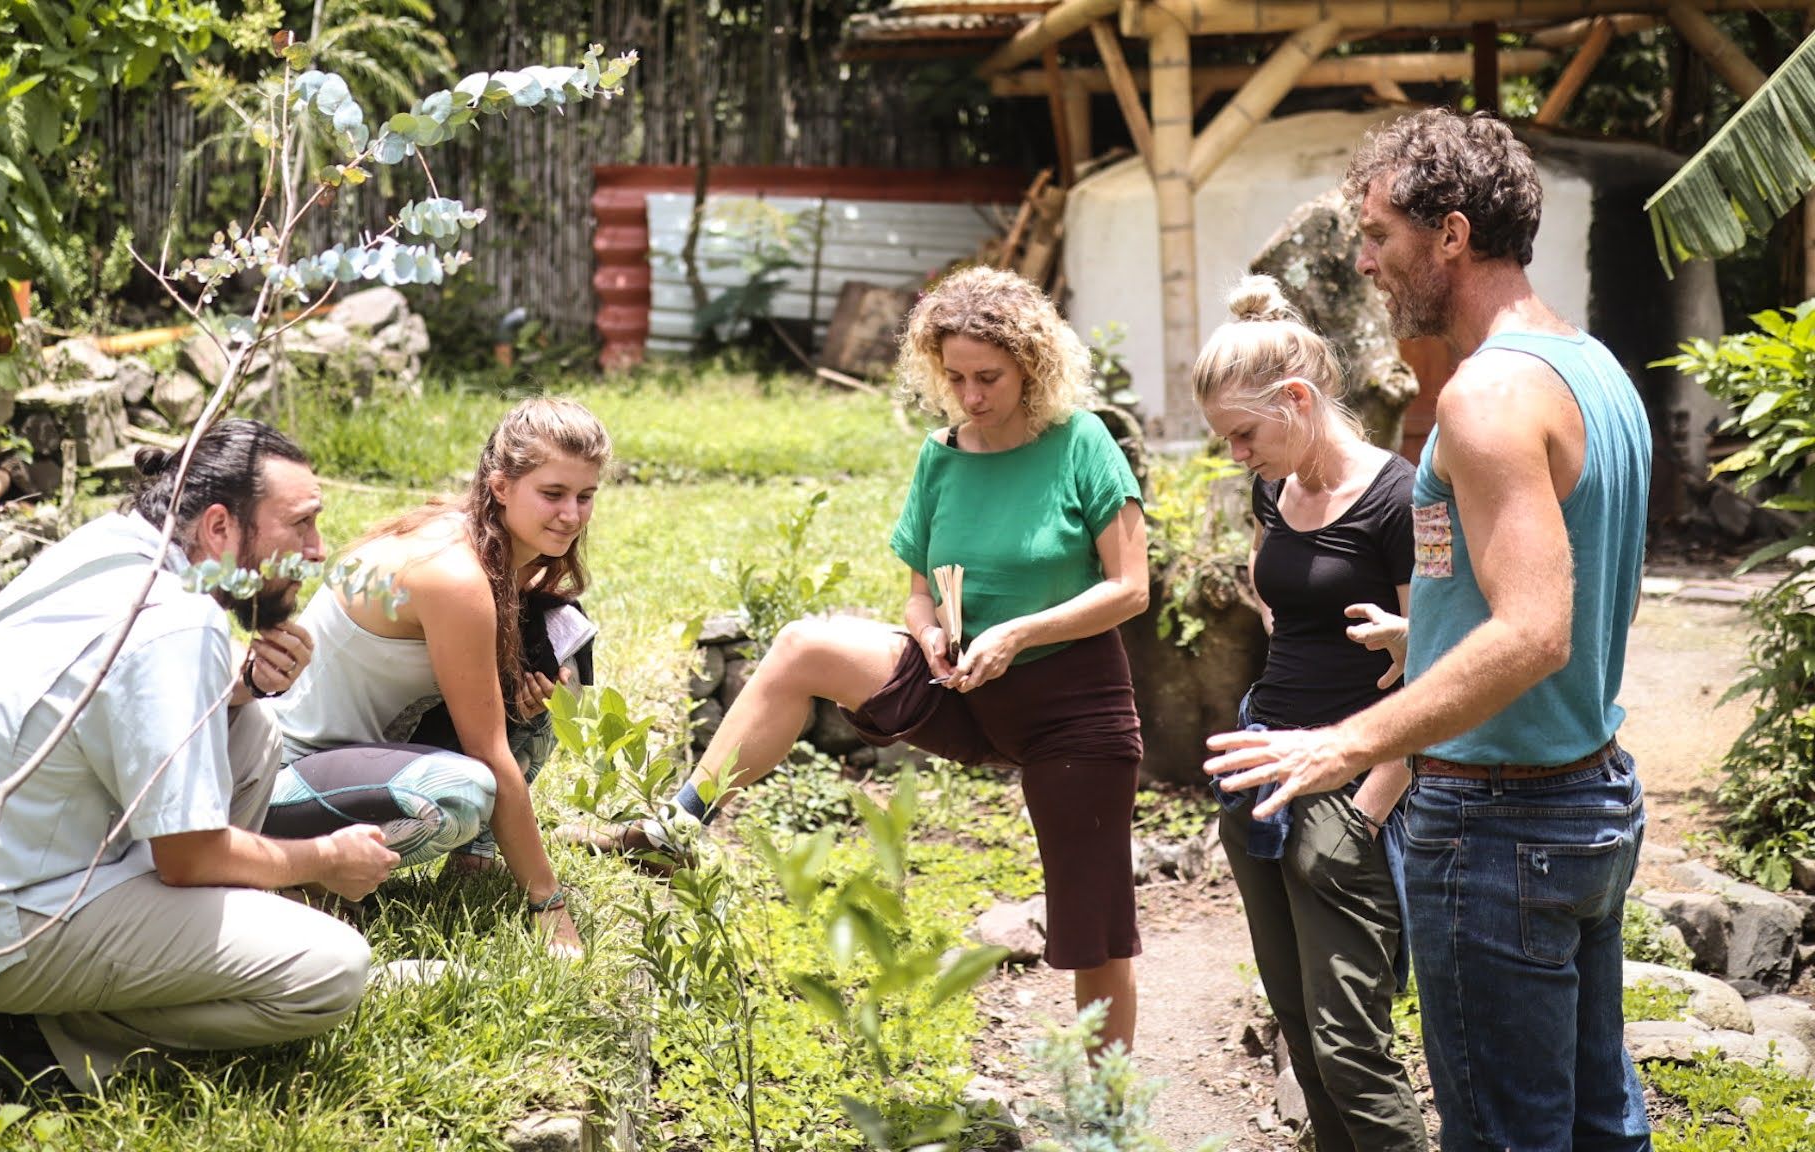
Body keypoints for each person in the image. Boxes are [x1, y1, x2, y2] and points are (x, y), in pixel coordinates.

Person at [1204, 109, 1654, 1152]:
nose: (1363, 261)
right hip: (1588, 797)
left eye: (1377, 235)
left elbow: (1535, 632)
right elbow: (1596, 600)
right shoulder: (1591, 368)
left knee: (1502, 1135)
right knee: (1598, 1126)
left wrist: (1344, 743)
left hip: (1499, 826)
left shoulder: (1484, 397)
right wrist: (1435, 640)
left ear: (1450, 235)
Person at [590, 266, 1150, 1051]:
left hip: (1072, 708)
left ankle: (1107, 1107)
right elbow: (919, 595)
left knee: (1094, 933)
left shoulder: (1081, 444)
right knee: (803, 645)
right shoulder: (940, 457)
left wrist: (1018, 634)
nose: (971, 395)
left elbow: (1130, 589)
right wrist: (927, 634)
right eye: (954, 377)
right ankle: (679, 829)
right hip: (959, 684)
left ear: (1032, 365)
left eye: (988, 378)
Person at [0, 419, 401, 1094]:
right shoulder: (175, 619)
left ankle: (156, 964)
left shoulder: (110, 545)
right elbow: (188, 857)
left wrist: (245, 685)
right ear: (218, 527)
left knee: (251, 728)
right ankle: (49, 1039)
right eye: (301, 525)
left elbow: (116, 700)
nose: (317, 550)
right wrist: (323, 860)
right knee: (333, 969)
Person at [1195, 275, 1425, 1152]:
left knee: (1350, 1045)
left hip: (1350, 780)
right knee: (1298, 1026)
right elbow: (1278, 603)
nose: (1236, 454)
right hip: (1263, 770)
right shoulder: (1274, 490)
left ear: (1297, 399)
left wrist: (1371, 808)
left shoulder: (1399, 498)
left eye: (1243, 434)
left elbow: (1434, 668)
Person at [262, 397, 608, 957]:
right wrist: (551, 906)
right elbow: (489, 752)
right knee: (459, 794)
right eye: (553, 494)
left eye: (584, 496)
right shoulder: (454, 574)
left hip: (357, 753)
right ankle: (308, 875)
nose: (571, 514)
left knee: (548, 691)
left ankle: (473, 864)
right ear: (501, 486)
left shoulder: (490, 542)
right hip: (279, 780)